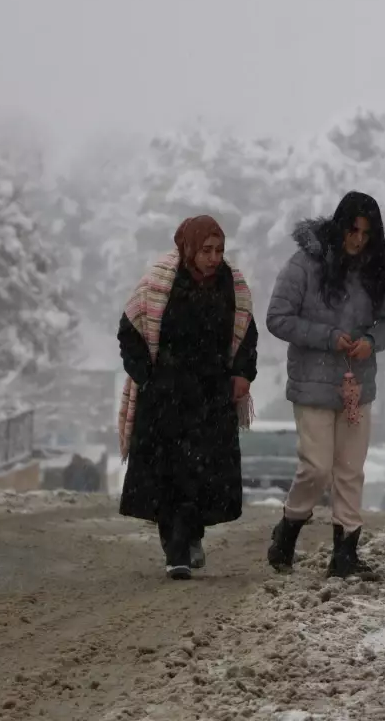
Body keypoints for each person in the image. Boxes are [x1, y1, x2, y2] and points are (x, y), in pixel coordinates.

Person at [265, 191, 385, 578]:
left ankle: (346, 553)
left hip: (357, 386)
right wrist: (327, 337)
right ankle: (289, 527)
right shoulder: (305, 265)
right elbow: (277, 317)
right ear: (339, 226)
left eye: (366, 233)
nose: (358, 240)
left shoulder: (375, 272)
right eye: (353, 230)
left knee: (350, 470)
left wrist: (371, 342)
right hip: (313, 384)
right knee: (317, 469)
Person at [116, 215, 259, 579]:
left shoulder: (233, 285)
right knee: (169, 476)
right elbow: (129, 330)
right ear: (188, 248)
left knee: (203, 474)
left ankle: (191, 535)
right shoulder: (158, 282)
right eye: (207, 250)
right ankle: (176, 550)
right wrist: (147, 376)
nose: (214, 258)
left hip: (212, 398)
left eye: (220, 250)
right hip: (165, 397)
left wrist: (242, 374)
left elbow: (246, 336)